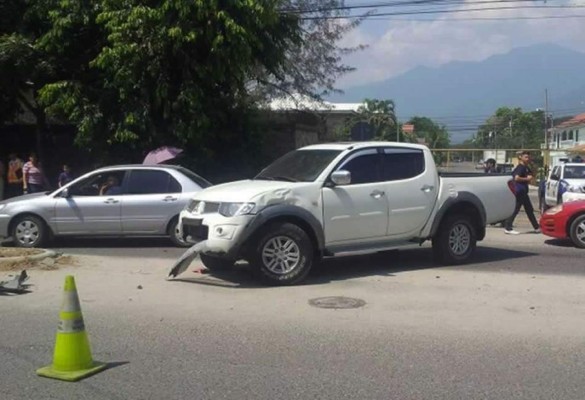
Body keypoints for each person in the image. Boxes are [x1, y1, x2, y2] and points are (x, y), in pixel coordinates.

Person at [504, 151, 540, 235]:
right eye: (526, 157)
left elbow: (532, 174)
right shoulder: (520, 167)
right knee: (516, 209)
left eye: (528, 157)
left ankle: (537, 227)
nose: (528, 159)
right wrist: (527, 179)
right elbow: (516, 178)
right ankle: (508, 227)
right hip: (520, 191)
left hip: (524, 191)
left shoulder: (526, 167)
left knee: (529, 210)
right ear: (521, 157)